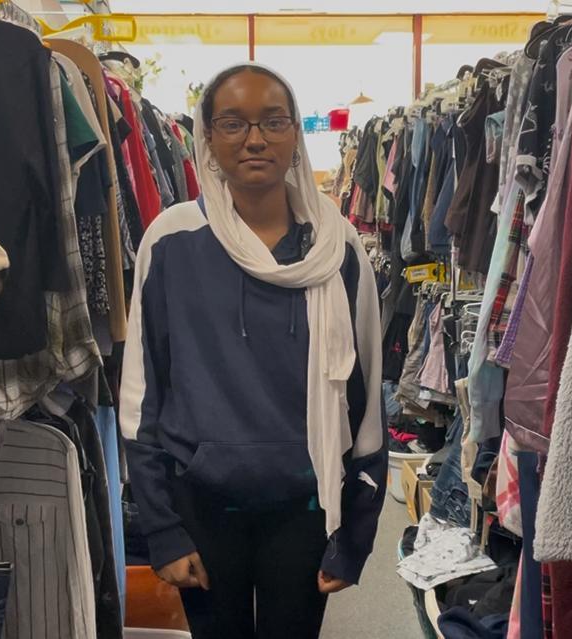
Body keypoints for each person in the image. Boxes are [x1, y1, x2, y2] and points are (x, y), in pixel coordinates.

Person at [119, 63, 388, 639]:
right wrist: (161, 528)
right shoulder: (171, 240)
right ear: (208, 138)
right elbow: (142, 393)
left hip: (307, 507)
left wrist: (357, 532)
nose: (255, 139)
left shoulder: (337, 248)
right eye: (233, 123)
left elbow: (366, 398)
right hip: (202, 506)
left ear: (295, 133)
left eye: (273, 121)